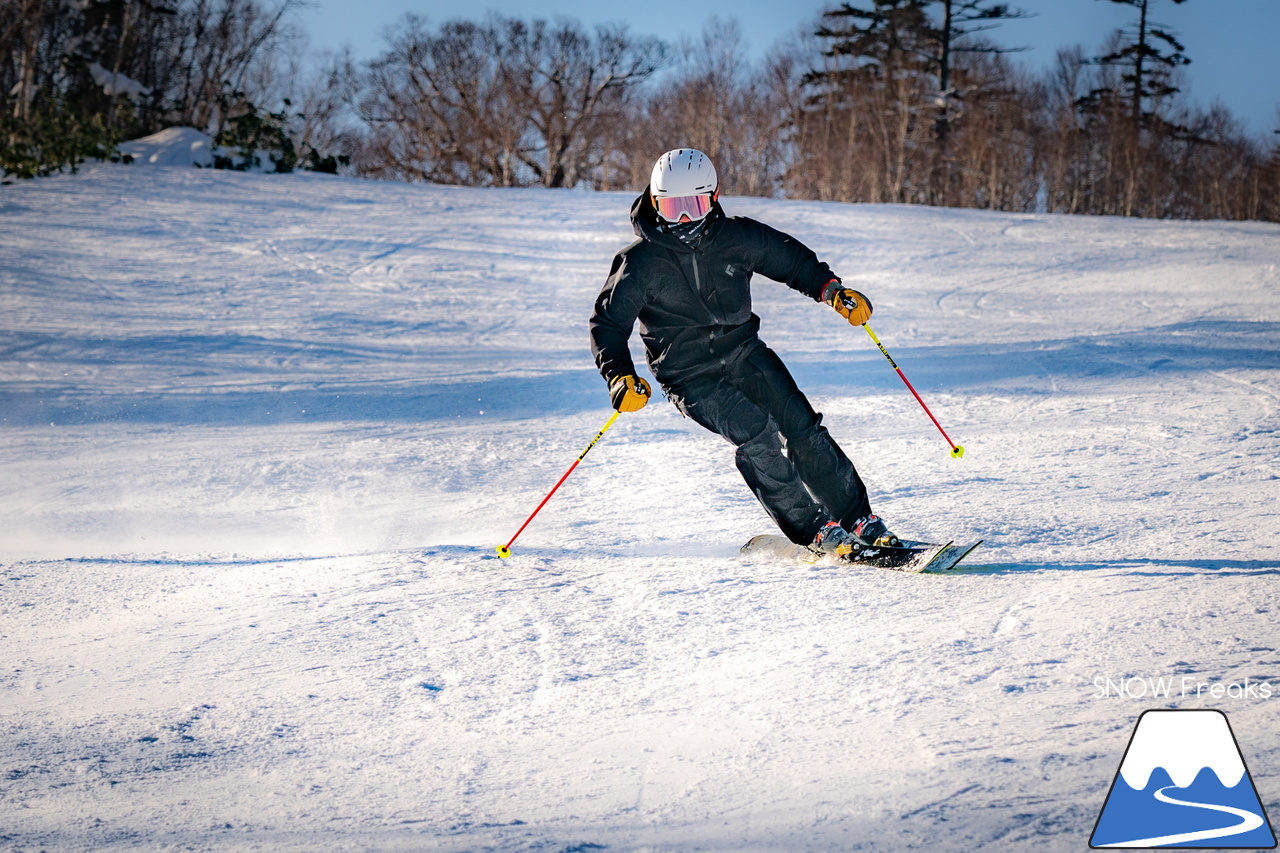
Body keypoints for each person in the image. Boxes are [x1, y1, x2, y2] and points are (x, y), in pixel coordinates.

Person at [589, 148, 898, 558]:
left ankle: (857, 518)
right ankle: (814, 529)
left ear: (713, 198)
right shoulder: (640, 262)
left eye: (694, 205)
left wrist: (831, 290)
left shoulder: (736, 237)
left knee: (802, 426)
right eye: (671, 207)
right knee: (756, 432)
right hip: (688, 374)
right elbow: (608, 324)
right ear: (654, 201)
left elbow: (789, 259)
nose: (683, 220)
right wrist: (619, 376)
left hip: (744, 352)